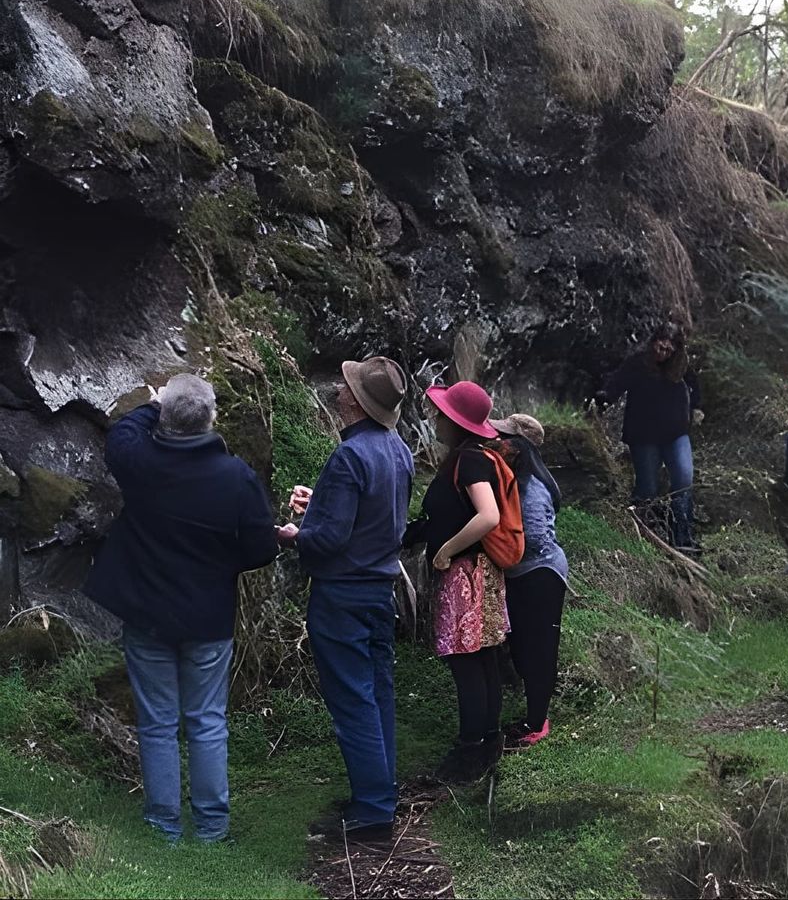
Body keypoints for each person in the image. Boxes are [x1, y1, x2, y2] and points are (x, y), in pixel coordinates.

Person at [84, 374, 278, 843]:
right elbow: (262, 549)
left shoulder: (141, 462)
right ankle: (211, 829)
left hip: (148, 613)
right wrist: (219, 566)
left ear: (165, 419)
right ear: (212, 419)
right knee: (207, 721)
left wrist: (154, 404)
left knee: (157, 722)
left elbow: (122, 435)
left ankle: (163, 826)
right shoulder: (235, 477)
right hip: (208, 616)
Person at [275, 356, 412, 842]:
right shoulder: (399, 449)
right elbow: (377, 519)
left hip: (343, 596)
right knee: (377, 694)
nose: (338, 389)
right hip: (379, 590)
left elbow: (330, 540)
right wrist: (323, 506)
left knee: (353, 699)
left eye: (346, 386)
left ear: (355, 402)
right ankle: (380, 794)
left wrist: (294, 534)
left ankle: (373, 811)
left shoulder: (349, 456)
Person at [406, 380, 509, 785]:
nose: (435, 419)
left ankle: (470, 754)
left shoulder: (469, 461)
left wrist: (447, 549)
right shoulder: (472, 457)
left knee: (468, 662)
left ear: (454, 421)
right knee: (481, 662)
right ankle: (486, 744)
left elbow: (488, 516)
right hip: (481, 572)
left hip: (468, 574)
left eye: (440, 414)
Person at [492, 413, 568, 750]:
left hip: (540, 575)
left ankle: (537, 722)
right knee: (523, 647)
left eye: (506, 438)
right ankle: (532, 717)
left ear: (521, 447)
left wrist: (495, 546)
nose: (498, 442)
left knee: (539, 650)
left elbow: (534, 539)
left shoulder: (532, 489)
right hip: (524, 573)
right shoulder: (514, 479)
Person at [601, 321, 703, 551]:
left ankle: (683, 538)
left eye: (668, 350)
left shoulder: (680, 365)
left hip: (675, 433)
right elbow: (616, 384)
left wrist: (696, 407)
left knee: (683, 480)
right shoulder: (638, 363)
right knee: (647, 488)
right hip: (643, 436)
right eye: (659, 347)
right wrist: (603, 397)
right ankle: (642, 536)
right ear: (653, 343)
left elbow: (695, 385)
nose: (662, 353)